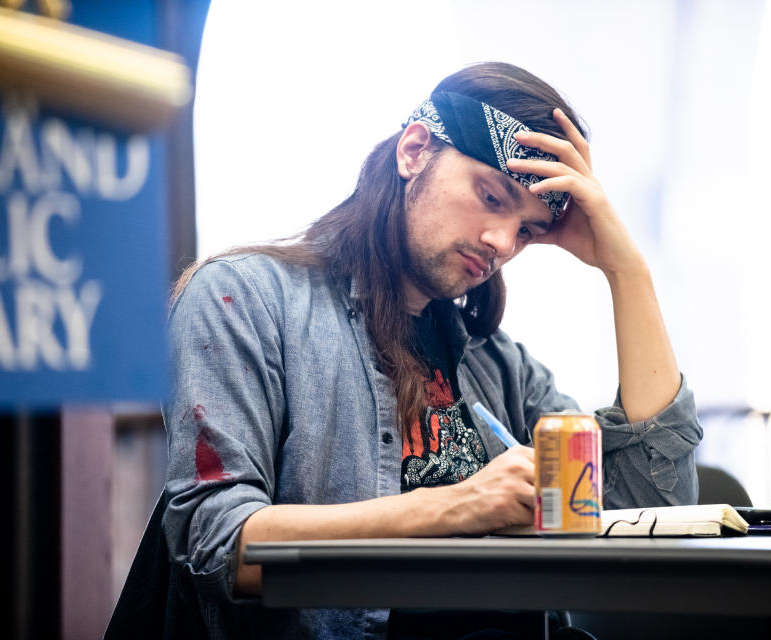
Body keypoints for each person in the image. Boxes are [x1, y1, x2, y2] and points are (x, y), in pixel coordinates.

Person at [161, 62, 703, 639]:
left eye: (526, 230)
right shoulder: (242, 299)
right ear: (414, 151)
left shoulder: (494, 364)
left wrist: (626, 271)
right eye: (491, 196)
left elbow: (651, 501)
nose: (501, 243)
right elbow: (217, 541)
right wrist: (460, 505)